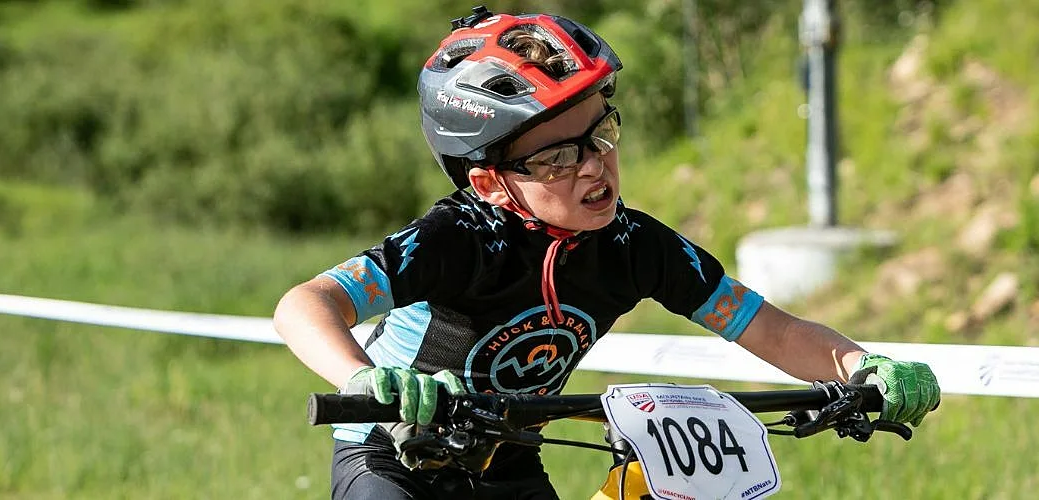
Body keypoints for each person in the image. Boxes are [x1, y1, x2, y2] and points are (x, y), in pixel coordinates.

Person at [273, 6, 940, 500]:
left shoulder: (634, 246)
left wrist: (861, 364)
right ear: (489, 183)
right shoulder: (458, 239)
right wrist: (361, 378)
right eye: (559, 156)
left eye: (602, 134)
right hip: (394, 456)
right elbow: (306, 304)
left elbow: (774, 329)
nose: (596, 167)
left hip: (508, 457)